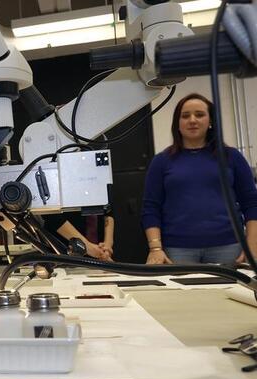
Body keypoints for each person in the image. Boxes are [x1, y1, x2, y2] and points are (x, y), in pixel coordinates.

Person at [142, 93, 257, 265]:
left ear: (210, 121)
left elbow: (251, 204)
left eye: (200, 114)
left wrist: (252, 246)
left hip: (229, 247)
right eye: (185, 116)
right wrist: (155, 249)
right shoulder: (161, 161)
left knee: (229, 292)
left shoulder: (231, 157)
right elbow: (150, 208)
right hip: (177, 250)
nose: (192, 120)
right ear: (177, 123)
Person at [42, 212, 114, 261]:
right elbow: (51, 215)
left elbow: (108, 211)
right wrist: (86, 246)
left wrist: (107, 246)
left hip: (99, 250)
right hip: (62, 250)